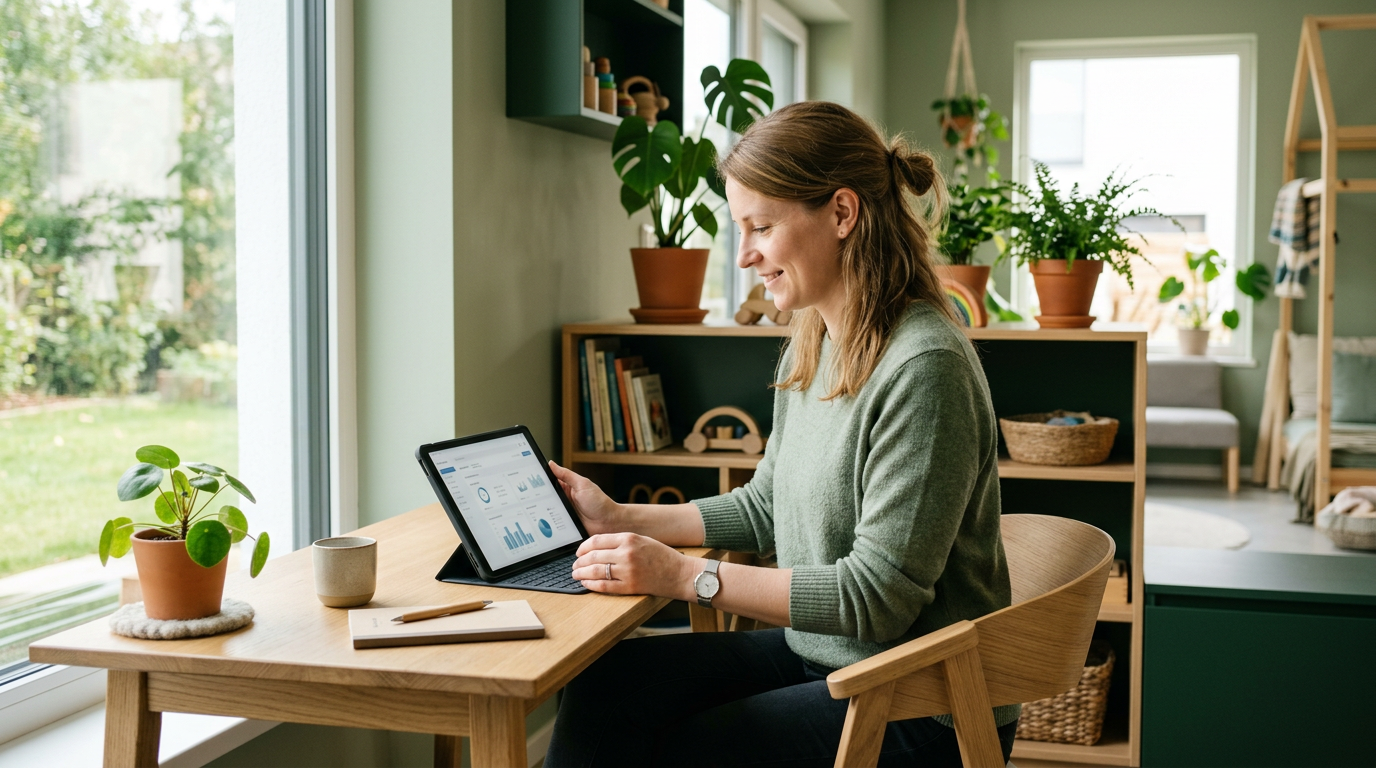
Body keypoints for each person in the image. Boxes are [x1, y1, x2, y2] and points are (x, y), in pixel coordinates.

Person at [544, 101, 1018, 768]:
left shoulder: (924, 368)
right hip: (827, 656)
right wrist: (621, 518)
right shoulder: (817, 337)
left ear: (843, 213)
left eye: (761, 227)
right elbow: (766, 505)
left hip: (923, 703)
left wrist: (682, 575)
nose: (745, 256)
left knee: (678, 750)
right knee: (603, 688)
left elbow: (874, 599)